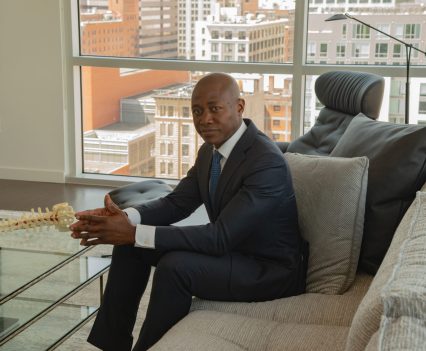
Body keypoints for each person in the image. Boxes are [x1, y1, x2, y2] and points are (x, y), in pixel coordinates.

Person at [70, 73, 308, 351]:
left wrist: (136, 233)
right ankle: (111, 344)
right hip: (232, 251)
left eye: (214, 108)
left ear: (239, 107)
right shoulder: (210, 152)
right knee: (129, 245)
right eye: (197, 111)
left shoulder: (266, 163)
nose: (204, 119)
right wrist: (126, 220)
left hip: (269, 270)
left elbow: (219, 237)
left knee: (176, 268)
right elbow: (177, 203)